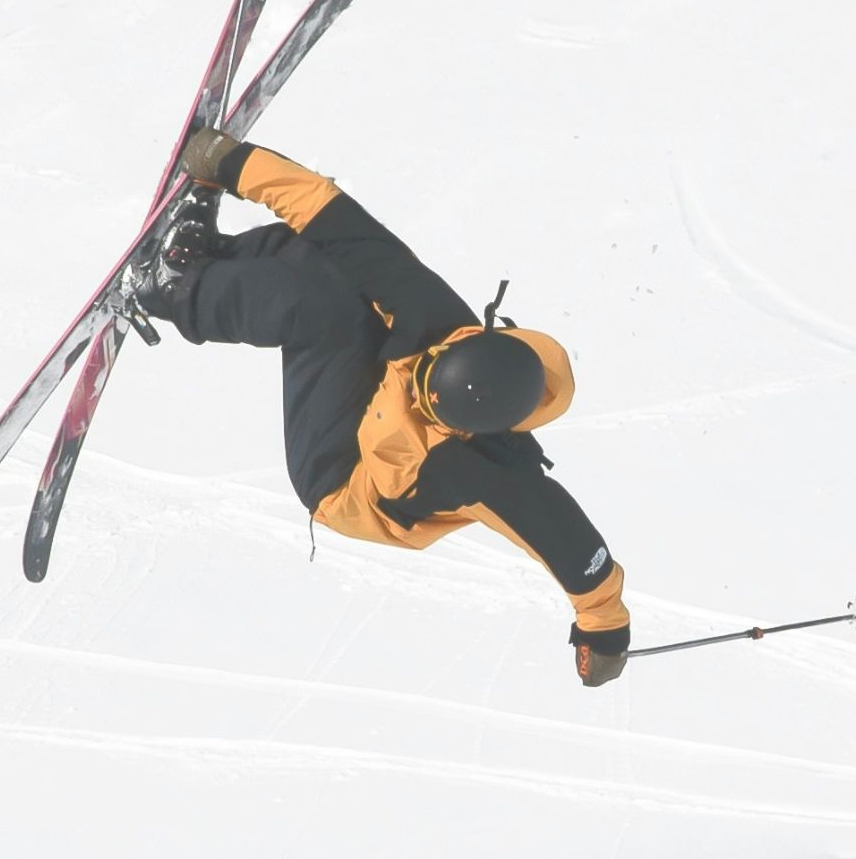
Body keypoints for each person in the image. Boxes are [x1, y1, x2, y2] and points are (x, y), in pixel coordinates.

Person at [136, 127, 631, 687]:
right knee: (334, 262)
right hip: (379, 395)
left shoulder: (470, 469)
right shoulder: (438, 319)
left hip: (346, 475)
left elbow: (568, 540)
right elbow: (337, 221)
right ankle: (205, 264)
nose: (422, 397)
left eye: (433, 411)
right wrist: (234, 164)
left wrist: (605, 633)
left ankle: (173, 292)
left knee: (317, 312)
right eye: (426, 381)